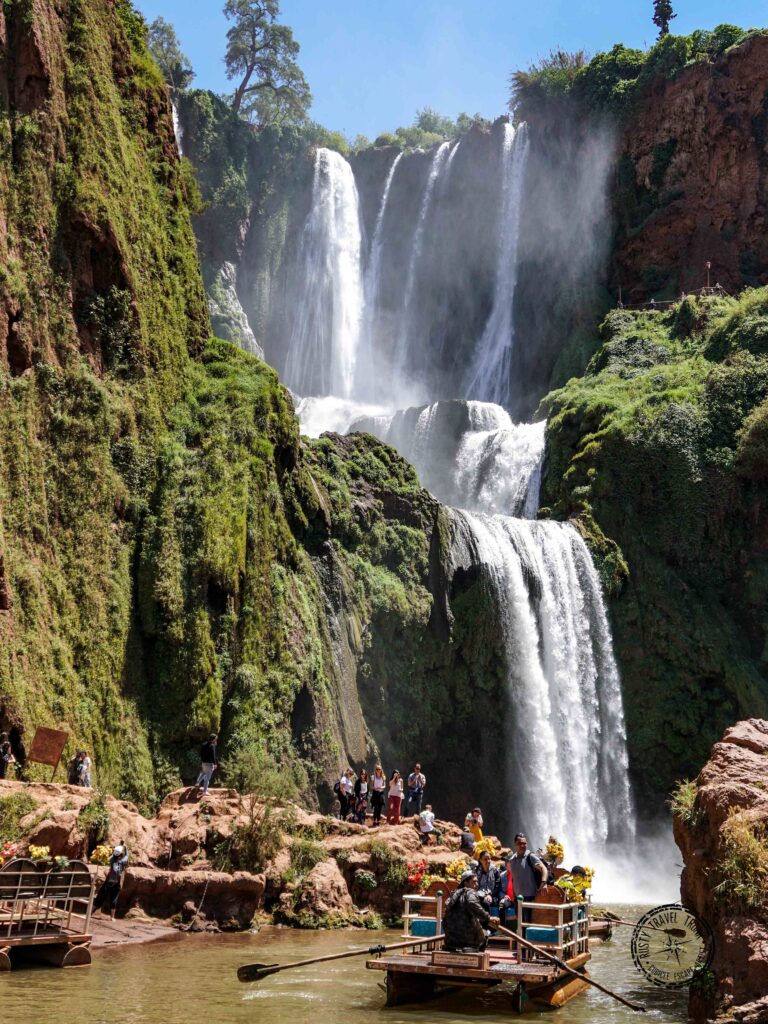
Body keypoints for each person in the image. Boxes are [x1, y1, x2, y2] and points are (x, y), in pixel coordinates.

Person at [443, 869, 500, 952]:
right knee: (485, 935)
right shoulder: (470, 892)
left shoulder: (453, 895)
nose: (477, 885)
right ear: (466, 883)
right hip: (468, 938)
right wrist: (489, 918)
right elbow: (473, 904)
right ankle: (476, 958)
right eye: (474, 882)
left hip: (450, 939)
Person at [507, 833, 548, 920]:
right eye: (519, 843)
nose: (522, 846)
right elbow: (514, 879)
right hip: (517, 898)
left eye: (524, 843)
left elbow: (543, 868)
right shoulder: (511, 861)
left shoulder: (531, 857)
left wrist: (544, 883)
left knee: (528, 923)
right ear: (515, 844)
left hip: (530, 897)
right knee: (520, 924)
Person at [93, 842, 129, 920]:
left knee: (102, 898)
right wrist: (125, 848)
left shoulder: (112, 859)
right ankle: (112, 917)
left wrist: (120, 846)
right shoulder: (122, 861)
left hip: (110, 882)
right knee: (111, 899)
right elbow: (126, 856)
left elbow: (113, 854)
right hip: (114, 883)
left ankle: (91, 912)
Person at [498, 854, 517, 925]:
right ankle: (502, 928)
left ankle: (522, 929)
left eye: (508, 862)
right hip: (508, 898)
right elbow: (499, 890)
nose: (506, 863)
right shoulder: (502, 876)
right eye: (506, 862)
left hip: (517, 898)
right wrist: (504, 896)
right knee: (501, 904)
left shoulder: (519, 875)